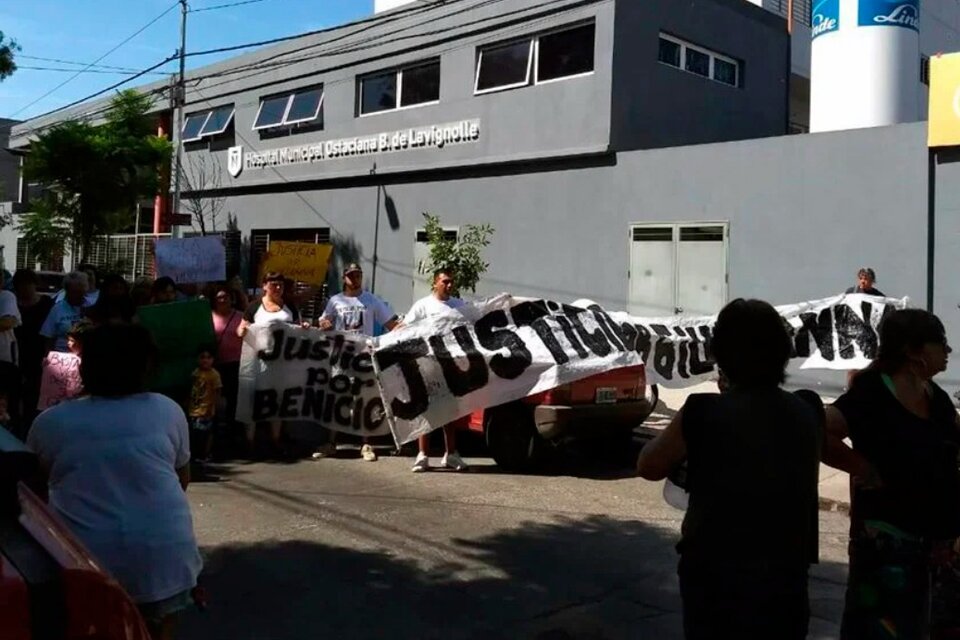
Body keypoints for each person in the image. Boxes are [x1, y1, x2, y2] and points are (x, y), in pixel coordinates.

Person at [636, 299, 823, 640]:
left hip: (716, 576)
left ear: (721, 354)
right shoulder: (808, 409)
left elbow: (649, 464)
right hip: (786, 576)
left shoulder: (702, 411)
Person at [27, 324, 202, 640]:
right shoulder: (167, 410)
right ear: (147, 365)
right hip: (164, 562)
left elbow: (34, 500)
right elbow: (182, 479)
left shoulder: (51, 422)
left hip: (85, 568)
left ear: (85, 365)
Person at [823, 309, 960, 638]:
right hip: (887, 547)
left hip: (936, 547)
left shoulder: (935, 397)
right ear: (913, 351)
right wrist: (861, 467)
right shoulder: (871, 392)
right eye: (940, 342)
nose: (948, 351)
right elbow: (819, 429)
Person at [315, 263, 399, 462]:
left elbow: (391, 324)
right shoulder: (335, 301)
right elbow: (324, 321)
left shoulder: (371, 300)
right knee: (337, 399)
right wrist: (324, 323)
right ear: (344, 278)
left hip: (364, 359)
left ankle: (366, 444)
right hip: (340, 359)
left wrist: (407, 330)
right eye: (351, 276)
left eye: (358, 275)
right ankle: (331, 443)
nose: (355, 279)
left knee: (365, 400)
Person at [404, 268, 470, 473]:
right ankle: (423, 455)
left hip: (451, 364)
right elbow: (405, 327)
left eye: (451, 282)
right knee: (427, 409)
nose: (449, 285)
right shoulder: (423, 306)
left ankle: (451, 454)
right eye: (445, 282)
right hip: (428, 363)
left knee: (450, 411)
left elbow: (477, 317)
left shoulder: (459, 306)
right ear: (435, 283)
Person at [237, 272, 305, 458]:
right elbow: (241, 329)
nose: (278, 288)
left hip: (283, 364)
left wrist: (305, 328)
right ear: (265, 286)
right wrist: (242, 330)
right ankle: (250, 442)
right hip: (259, 363)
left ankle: (275, 440)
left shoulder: (290, 307)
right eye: (274, 284)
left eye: (281, 285)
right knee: (253, 400)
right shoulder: (254, 307)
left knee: (278, 401)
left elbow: (299, 329)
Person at [13, 269, 55, 433]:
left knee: (35, 397)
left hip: (39, 355)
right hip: (15, 354)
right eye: (20, 285)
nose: (24, 288)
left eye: (27, 284)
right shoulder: (13, 306)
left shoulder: (46, 304)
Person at [209, 285, 244, 448]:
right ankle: (213, 434)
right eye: (219, 297)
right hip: (213, 365)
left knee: (233, 400)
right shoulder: (207, 317)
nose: (223, 300)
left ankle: (232, 434)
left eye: (226, 297)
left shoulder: (241, 317)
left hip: (235, 364)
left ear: (232, 299)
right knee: (212, 401)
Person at [40, 271, 88, 354]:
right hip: (62, 358)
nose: (76, 295)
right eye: (73, 292)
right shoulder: (58, 308)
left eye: (79, 291)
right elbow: (48, 337)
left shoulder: (91, 307)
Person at [189, 347, 222, 464]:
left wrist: (215, 406)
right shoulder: (195, 373)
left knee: (207, 433)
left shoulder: (214, 375)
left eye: (208, 358)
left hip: (207, 409)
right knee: (195, 433)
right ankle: (196, 453)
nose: (205, 360)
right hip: (194, 409)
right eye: (202, 357)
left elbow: (217, 392)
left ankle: (206, 453)